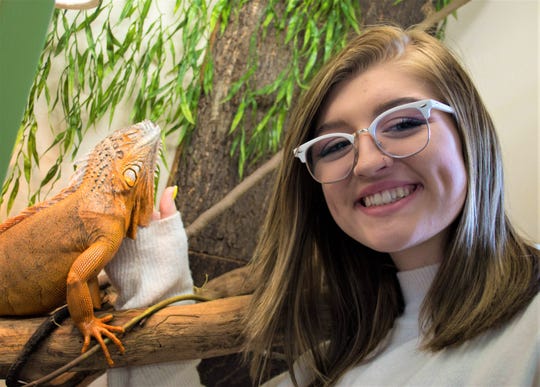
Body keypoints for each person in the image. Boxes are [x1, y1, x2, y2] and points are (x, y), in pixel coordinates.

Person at [98, 25, 539, 386]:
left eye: (403, 123)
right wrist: (159, 282)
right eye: (332, 147)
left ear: (470, 132)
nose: (367, 162)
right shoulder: (327, 365)